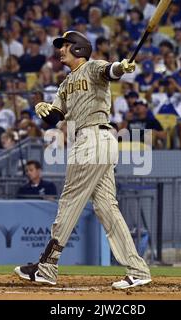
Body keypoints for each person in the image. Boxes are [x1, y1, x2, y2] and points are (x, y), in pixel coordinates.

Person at [14, 31, 151, 289]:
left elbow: (111, 71)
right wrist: (42, 108)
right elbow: (55, 117)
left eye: (64, 45)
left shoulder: (92, 67)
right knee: (106, 207)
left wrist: (122, 66)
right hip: (93, 142)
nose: (60, 50)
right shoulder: (66, 83)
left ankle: (47, 266)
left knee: (69, 201)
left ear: (78, 48)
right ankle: (137, 269)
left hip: (93, 138)